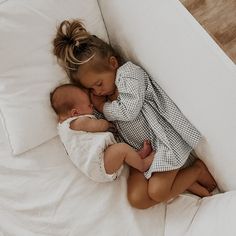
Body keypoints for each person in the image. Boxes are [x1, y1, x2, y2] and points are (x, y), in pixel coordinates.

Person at [52, 19, 217, 209]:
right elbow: (103, 127)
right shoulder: (103, 100)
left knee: (157, 191)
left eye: (98, 84)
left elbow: (129, 111)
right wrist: (79, 120)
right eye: (91, 89)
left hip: (164, 142)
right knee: (137, 200)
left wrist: (103, 108)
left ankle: (196, 170)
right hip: (141, 155)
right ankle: (186, 181)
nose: (97, 92)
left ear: (113, 63)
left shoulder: (128, 74)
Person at [50, 84, 154, 183]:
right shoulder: (77, 122)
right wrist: (106, 123)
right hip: (99, 163)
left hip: (97, 165)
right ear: (75, 113)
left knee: (120, 151)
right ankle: (142, 165)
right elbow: (99, 126)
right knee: (122, 149)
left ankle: (136, 156)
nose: (92, 106)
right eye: (89, 105)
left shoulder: (63, 129)